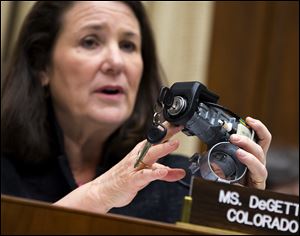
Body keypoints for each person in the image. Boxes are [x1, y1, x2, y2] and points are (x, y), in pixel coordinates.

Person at [1, 1, 272, 223]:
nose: (116, 63)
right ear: (42, 66)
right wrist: (100, 194)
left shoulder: (175, 178)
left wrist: (240, 213)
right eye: (90, 42)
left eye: (128, 45)